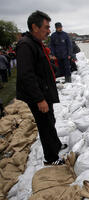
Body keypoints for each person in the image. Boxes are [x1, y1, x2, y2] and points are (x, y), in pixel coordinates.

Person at [16, 10, 66, 165]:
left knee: (50, 120)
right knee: (45, 125)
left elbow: (40, 67)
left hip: (44, 91)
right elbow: (27, 75)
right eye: (46, 27)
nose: (49, 30)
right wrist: (39, 99)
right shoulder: (25, 45)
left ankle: (56, 145)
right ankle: (51, 158)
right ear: (35, 27)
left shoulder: (35, 43)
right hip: (38, 95)